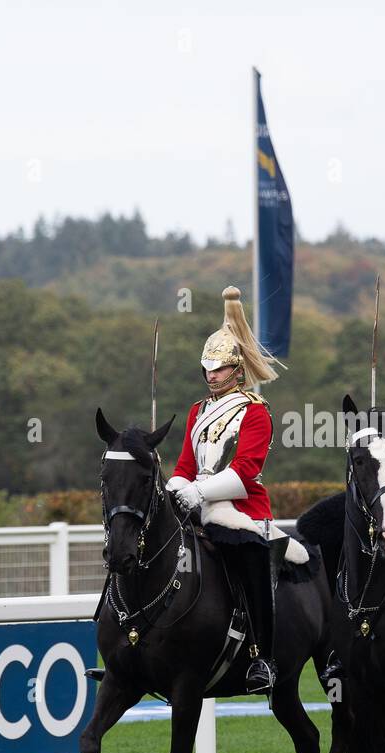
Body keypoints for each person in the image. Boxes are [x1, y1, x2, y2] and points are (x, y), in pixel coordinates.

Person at [167, 286, 285, 694]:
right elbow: (185, 465)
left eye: (219, 369)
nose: (211, 375)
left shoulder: (255, 411)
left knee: (248, 556)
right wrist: (174, 491)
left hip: (241, 509)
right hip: (197, 505)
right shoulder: (198, 411)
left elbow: (246, 472)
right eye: (208, 368)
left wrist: (199, 494)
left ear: (238, 370)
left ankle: (262, 658)